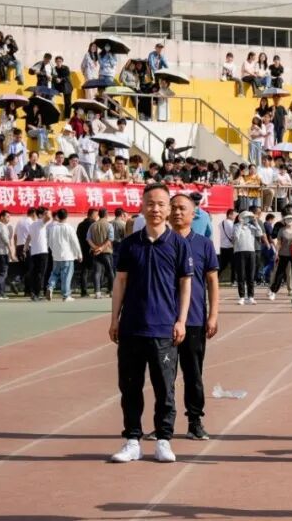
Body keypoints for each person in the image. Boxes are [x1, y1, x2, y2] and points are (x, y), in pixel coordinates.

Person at [108, 184, 192, 464]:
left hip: (164, 329)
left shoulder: (178, 244)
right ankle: (132, 440)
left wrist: (181, 320)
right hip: (132, 327)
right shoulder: (130, 244)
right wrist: (114, 319)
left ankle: (164, 441)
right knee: (130, 387)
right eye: (150, 203)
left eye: (161, 204)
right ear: (142, 207)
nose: (155, 209)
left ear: (168, 209)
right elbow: (120, 282)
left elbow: (185, 284)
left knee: (165, 388)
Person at [140, 193, 219, 442]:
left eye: (182, 208)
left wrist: (213, 315)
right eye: (172, 207)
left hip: (194, 320)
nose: (176, 212)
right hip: (163, 321)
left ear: (194, 214)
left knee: (193, 374)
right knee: (164, 377)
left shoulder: (203, 244)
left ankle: (195, 422)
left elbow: (212, 281)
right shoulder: (159, 242)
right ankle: (164, 425)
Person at [47, 209, 82, 302]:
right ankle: (66, 295)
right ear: (67, 216)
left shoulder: (52, 228)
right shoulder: (69, 228)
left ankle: (50, 287)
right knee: (66, 276)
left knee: (54, 273)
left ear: (57, 216)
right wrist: (79, 254)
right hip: (68, 255)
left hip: (56, 256)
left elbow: (49, 242)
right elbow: (75, 242)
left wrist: (54, 251)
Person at [233, 210, 262, 304]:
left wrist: (255, 222)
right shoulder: (236, 226)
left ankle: (251, 296)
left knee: (251, 275)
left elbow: (260, 233)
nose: (247, 219)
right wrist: (240, 224)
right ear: (240, 218)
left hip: (251, 252)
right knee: (241, 275)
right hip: (239, 252)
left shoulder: (251, 226)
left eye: (248, 217)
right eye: (245, 217)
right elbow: (236, 236)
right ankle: (241, 297)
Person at [26, 207, 52, 301]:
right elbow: (49, 217)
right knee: (40, 274)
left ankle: (34, 293)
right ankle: (36, 294)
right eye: (44, 213)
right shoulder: (41, 222)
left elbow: (29, 237)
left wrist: (26, 246)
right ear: (40, 215)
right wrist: (47, 212)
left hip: (34, 252)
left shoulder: (32, 224)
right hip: (42, 251)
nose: (46, 215)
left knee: (36, 273)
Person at [218, 209, 236, 285]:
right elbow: (233, 235)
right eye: (233, 215)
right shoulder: (231, 224)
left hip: (223, 246)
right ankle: (233, 281)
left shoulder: (221, 223)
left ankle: (215, 277)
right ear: (229, 215)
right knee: (233, 265)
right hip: (230, 247)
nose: (234, 216)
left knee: (222, 265)